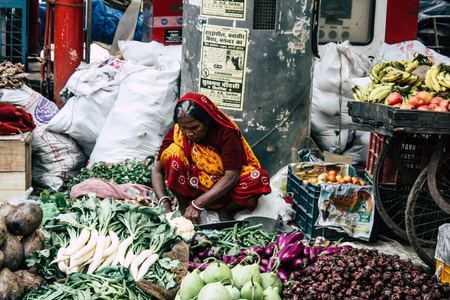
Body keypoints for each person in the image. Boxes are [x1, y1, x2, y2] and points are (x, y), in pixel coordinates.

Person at [152, 92, 272, 224]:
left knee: (258, 177)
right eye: (183, 128)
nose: (188, 133)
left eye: (194, 127)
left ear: (207, 122)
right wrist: (164, 201)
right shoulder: (177, 132)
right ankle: (183, 206)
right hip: (193, 188)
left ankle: (226, 209)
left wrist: (198, 203)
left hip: (222, 192)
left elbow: (232, 176)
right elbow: (157, 171)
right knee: (172, 153)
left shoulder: (225, 133)